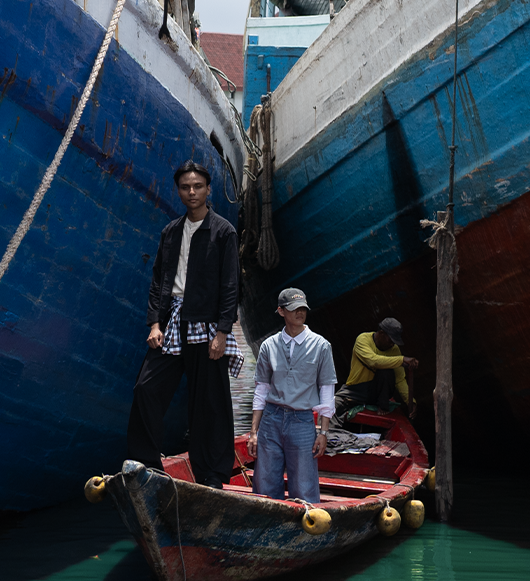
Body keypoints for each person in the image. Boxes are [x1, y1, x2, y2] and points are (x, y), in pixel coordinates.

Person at [125, 160, 243, 486]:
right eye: (185, 187)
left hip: (206, 326)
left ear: (208, 190)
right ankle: (145, 463)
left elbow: (231, 286)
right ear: (178, 190)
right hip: (172, 320)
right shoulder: (171, 231)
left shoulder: (224, 232)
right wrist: (154, 324)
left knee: (209, 402)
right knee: (146, 388)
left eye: (198, 186)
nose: (191, 192)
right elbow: (158, 281)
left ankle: (213, 475)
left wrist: (222, 332)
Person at [247, 287, 336, 502]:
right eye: (294, 309)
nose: (300, 313)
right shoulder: (269, 346)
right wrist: (253, 432)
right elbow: (261, 389)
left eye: (303, 308)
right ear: (281, 311)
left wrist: (323, 432)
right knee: (265, 487)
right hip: (271, 420)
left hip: (302, 421)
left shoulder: (321, 346)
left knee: (304, 489)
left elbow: (327, 391)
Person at [338, 317, 418, 422]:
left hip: (377, 394)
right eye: (390, 340)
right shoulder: (363, 339)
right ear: (381, 333)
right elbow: (373, 361)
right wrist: (401, 359)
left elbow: (399, 380)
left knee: (387, 372)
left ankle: (383, 406)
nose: (392, 344)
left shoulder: (394, 350)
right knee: (332, 406)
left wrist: (411, 401)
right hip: (356, 390)